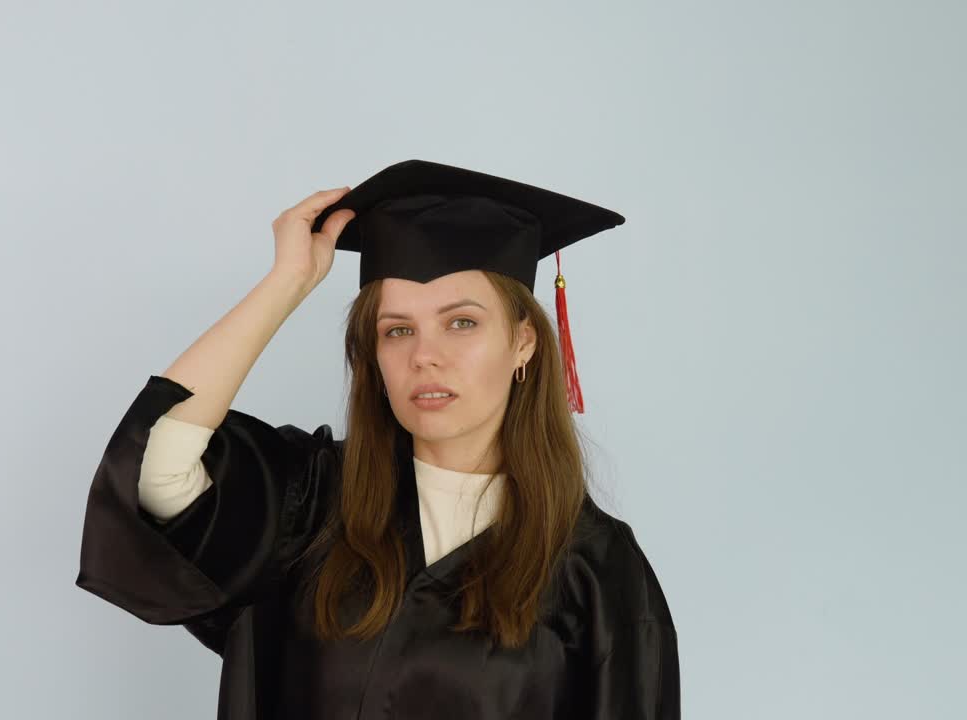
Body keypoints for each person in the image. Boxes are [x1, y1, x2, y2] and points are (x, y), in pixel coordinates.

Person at [75, 159, 680, 719]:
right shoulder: (311, 506)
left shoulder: (596, 567)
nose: (425, 356)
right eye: (397, 330)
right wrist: (287, 281)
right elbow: (154, 466)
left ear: (523, 343)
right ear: (374, 356)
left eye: (461, 322)